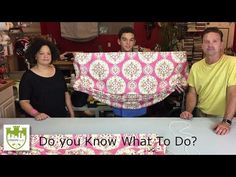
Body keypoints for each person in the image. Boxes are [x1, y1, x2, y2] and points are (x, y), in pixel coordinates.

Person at [113, 26, 185, 117]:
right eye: (124, 40)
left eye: (131, 40)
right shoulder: (112, 61)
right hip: (120, 106)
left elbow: (158, 65)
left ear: (134, 42)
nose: (128, 43)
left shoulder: (142, 59)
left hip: (140, 105)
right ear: (119, 41)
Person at [180, 27, 236, 135]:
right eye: (206, 41)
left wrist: (226, 121)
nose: (210, 45)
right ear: (202, 46)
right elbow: (192, 93)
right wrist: (188, 111)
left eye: (215, 41)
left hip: (222, 117)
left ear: (221, 44)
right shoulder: (196, 67)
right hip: (200, 115)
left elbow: (233, 93)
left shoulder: (233, 63)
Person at [19, 37, 75, 120]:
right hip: (41, 121)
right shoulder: (28, 76)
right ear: (35, 55)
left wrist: (72, 115)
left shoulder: (58, 72)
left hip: (61, 118)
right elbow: (24, 102)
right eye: (41, 53)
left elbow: (66, 94)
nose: (46, 56)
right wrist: (36, 114)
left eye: (48, 54)